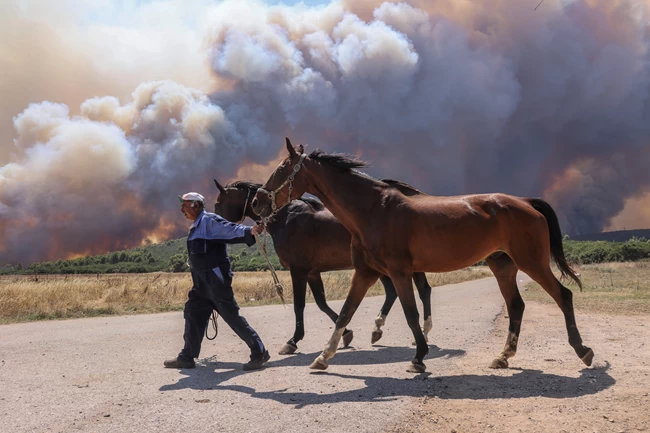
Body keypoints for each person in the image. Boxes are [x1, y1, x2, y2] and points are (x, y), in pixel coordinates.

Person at [164, 192, 270, 370]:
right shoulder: (196, 227)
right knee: (192, 313)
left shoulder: (209, 221)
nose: (182, 209)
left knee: (232, 317)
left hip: (215, 282)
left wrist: (249, 231)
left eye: (185, 205)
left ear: (196, 205)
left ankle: (259, 352)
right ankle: (187, 357)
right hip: (201, 285)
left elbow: (230, 229)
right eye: (181, 205)